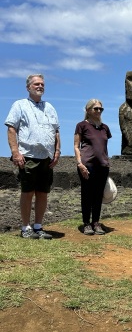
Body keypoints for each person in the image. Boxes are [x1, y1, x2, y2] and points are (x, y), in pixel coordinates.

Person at [5, 74, 60, 239]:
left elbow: (56, 131)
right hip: (28, 156)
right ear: (28, 87)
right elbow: (11, 128)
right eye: (36, 84)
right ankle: (25, 227)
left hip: (47, 157)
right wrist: (15, 152)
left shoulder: (50, 107)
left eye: (42, 84)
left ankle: (38, 226)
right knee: (27, 191)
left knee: (43, 192)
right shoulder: (19, 105)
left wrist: (57, 151)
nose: (40, 86)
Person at [74, 99, 111, 235]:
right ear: (88, 110)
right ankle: (86, 223)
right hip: (87, 164)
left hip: (102, 165)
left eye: (100, 109)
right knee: (87, 194)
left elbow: (104, 146)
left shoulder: (105, 128)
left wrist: (107, 161)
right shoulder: (81, 125)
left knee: (98, 195)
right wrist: (80, 163)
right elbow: (76, 146)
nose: (98, 111)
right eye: (96, 109)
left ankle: (96, 222)